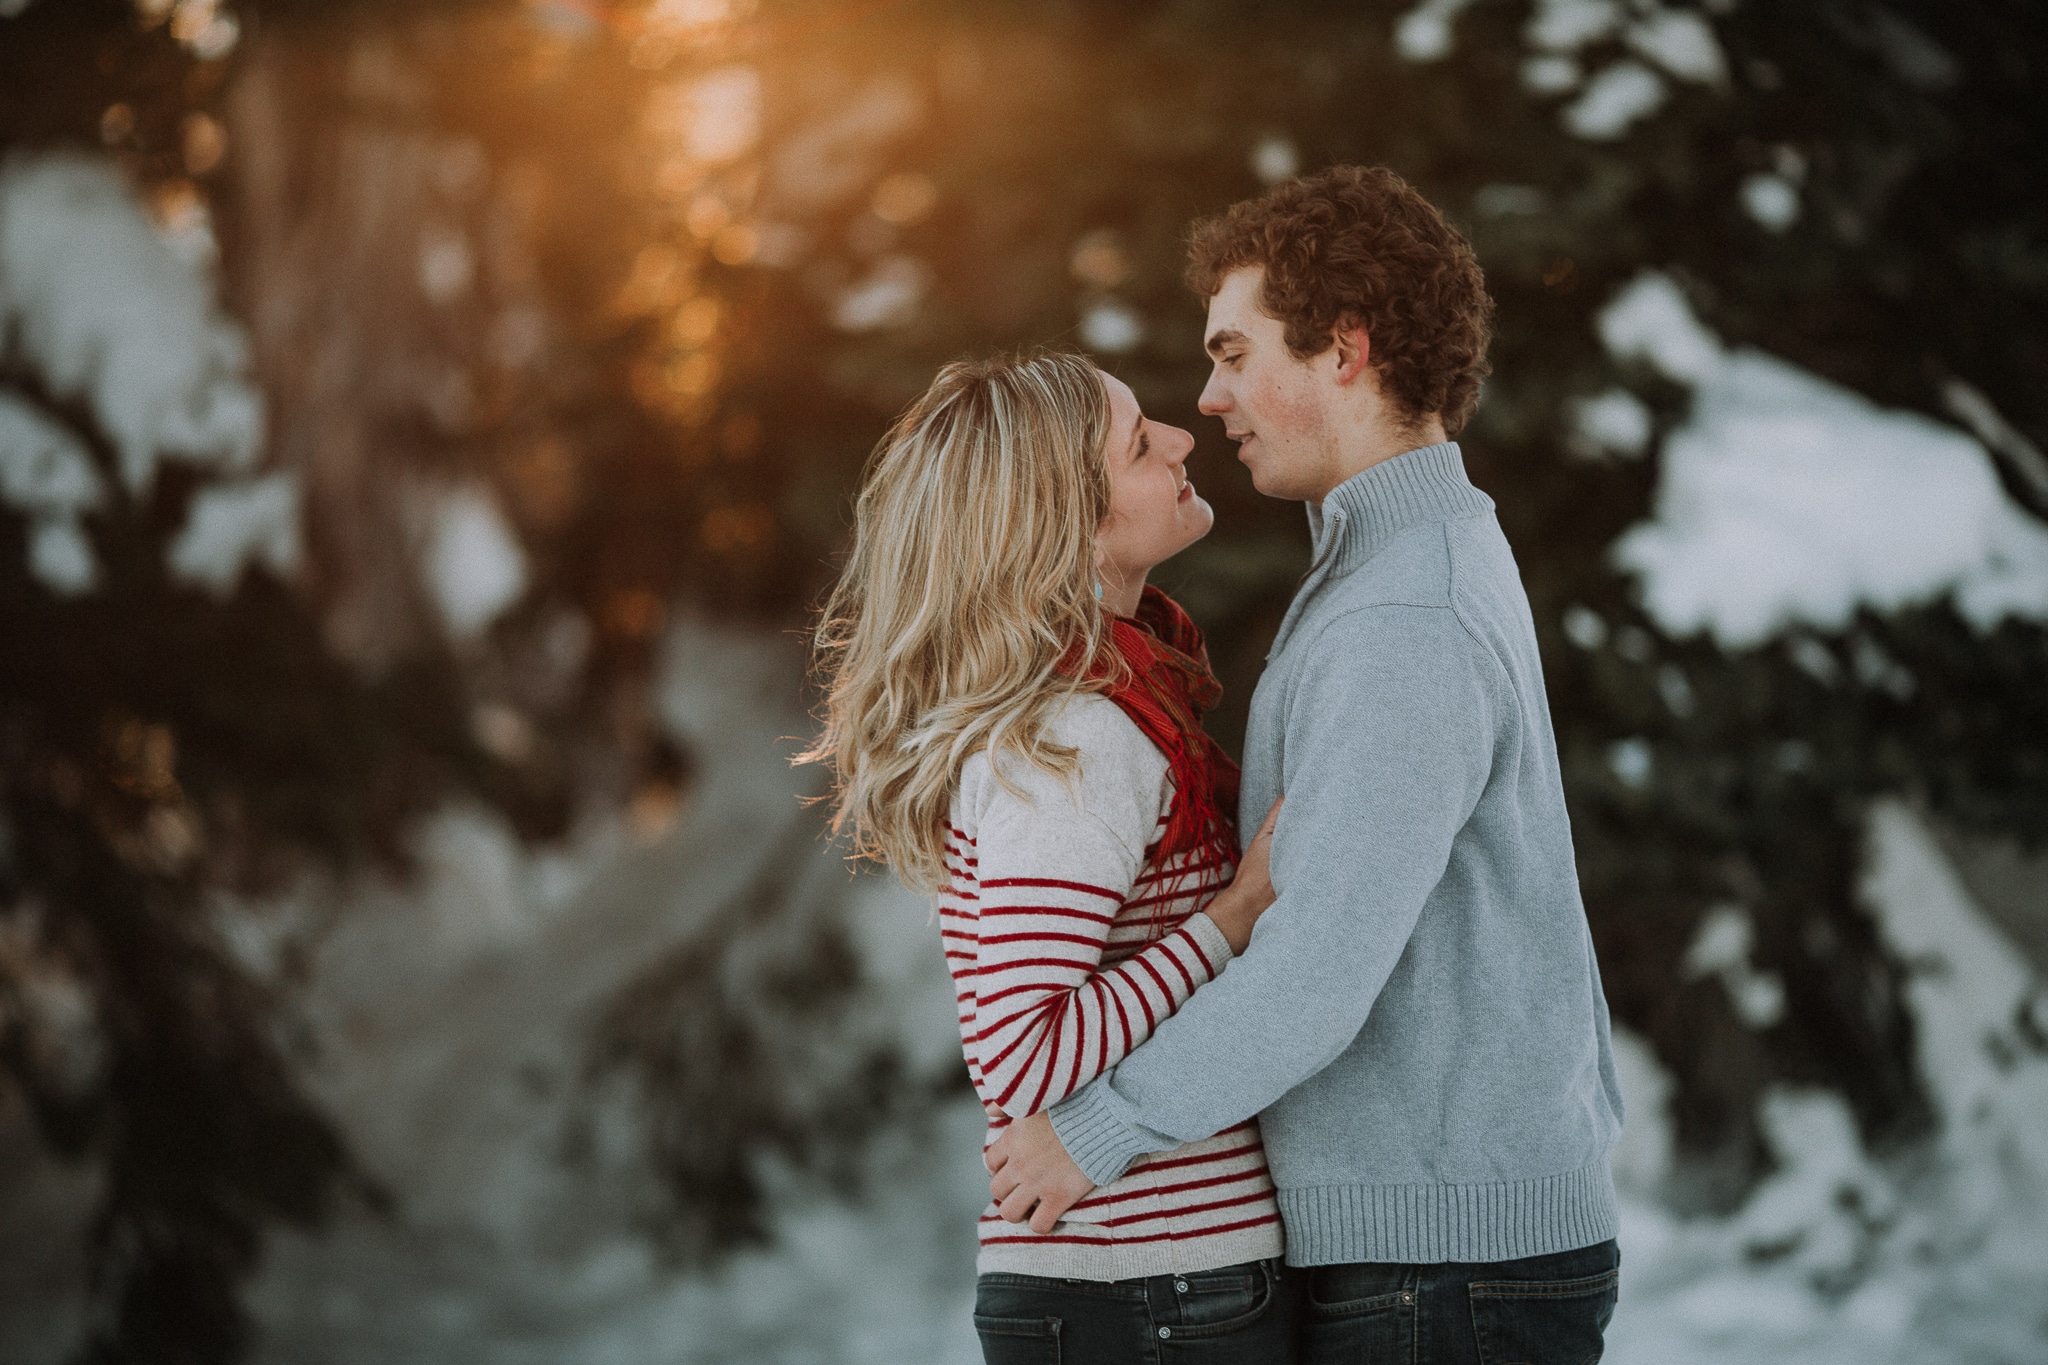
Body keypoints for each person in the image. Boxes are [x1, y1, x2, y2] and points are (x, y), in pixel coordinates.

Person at [984, 165, 1628, 1365]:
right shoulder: (1389, 567)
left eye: (1232, 354)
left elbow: (1320, 967)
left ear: (1343, 347)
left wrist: (1097, 1129)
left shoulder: (1404, 615)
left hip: (1445, 1264)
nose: (1208, 398)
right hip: (1436, 1250)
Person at [803, 350, 1297, 1364]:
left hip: (1148, 1286)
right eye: (1137, 441)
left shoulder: (1087, 714)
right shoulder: (1077, 736)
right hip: (1155, 1287)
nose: (1180, 438)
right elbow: (1020, 1057)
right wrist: (1230, 919)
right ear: (1066, 523)